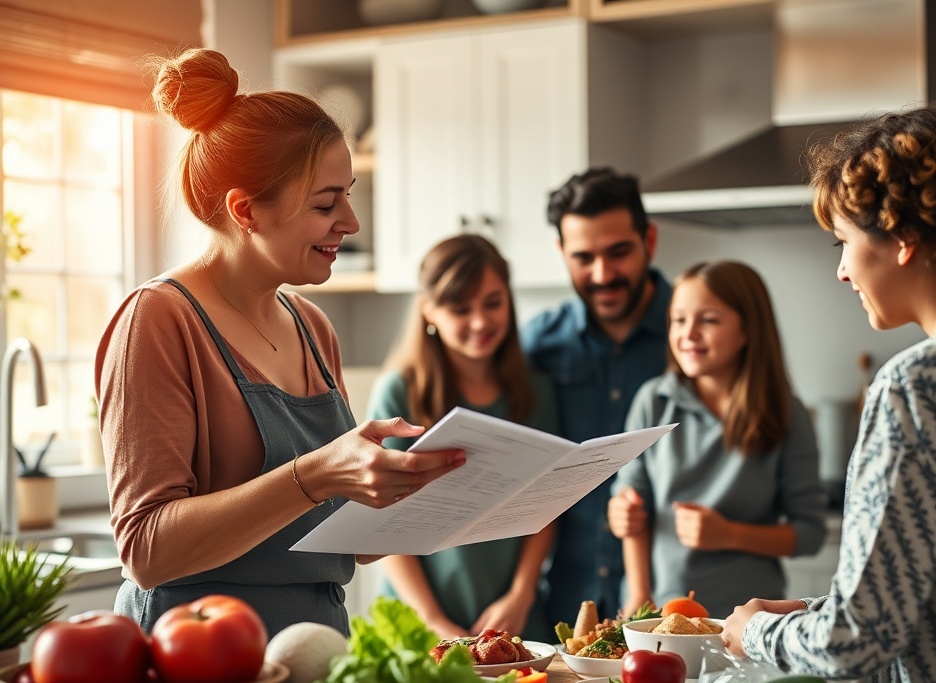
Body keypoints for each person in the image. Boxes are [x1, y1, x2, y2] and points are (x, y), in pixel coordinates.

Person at [94, 48, 465, 638]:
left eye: (348, 194)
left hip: (317, 651)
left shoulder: (311, 326)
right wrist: (316, 474)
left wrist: (419, 491)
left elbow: (340, 540)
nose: (351, 221)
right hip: (196, 659)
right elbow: (147, 549)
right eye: (326, 202)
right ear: (246, 211)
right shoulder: (160, 320)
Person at [721, 105, 936, 683]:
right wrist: (817, 607)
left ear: (904, 236)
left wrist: (759, 631)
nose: (842, 271)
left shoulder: (919, 384)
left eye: (844, 243)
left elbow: (854, 642)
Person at [365, 234, 559, 641]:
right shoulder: (399, 393)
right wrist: (434, 621)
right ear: (429, 311)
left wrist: (521, 595)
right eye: (460, 309)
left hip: (513, 615)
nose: (480, 322)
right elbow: (382, 517)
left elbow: (546, 503)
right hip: (418, 618)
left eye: (493, 302)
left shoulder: (535, 392)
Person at [608, 262, 828, 620]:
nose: (689, 333)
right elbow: (631, 506)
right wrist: (638, 593)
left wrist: (730, 534)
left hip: (750, 623)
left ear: (747, 330)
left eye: (708, 320)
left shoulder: (786, 413)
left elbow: (810, 532)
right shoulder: (653, 401)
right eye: (678, 320)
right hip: (658, 615)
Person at [521, 167, 673, 627]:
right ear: (561, 253)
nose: (603, 274)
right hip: (566, 604)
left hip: (677, 601)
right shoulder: (537, 345)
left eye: (619, 252)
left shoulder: (695, 330)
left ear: (649, 239)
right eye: (583, 257)